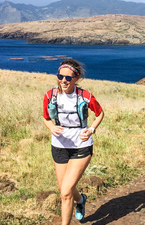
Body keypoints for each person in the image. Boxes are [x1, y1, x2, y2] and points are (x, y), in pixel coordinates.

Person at [43, 59, 104, 224]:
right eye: (60, 76)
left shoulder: (85, 96)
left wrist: (91, 130)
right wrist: (51, 127)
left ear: (76, 78)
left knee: (65, 192)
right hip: (59, 146)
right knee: (66, 189)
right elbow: (46, 118)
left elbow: (100, 113)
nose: (63, 81)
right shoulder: (50, 95)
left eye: (68, 78)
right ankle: (81, 200)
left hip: (81, 146)